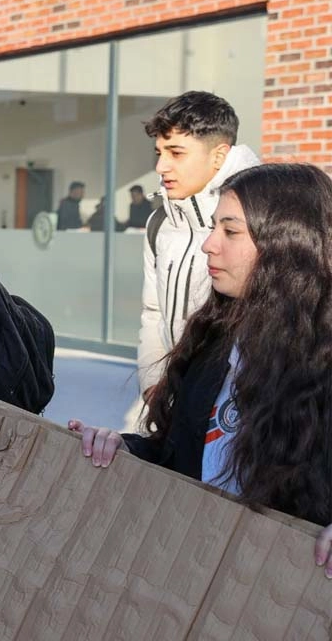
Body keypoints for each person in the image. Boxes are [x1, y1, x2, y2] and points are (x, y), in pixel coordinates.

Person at [69, 163, 332, 576]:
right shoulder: (213, 340)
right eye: (213, 228)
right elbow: (178, 456)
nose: (209, 245)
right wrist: (123, 449)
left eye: (230, 231)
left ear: (289, 244)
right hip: (191, 575)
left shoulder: (322, 364)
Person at [137, 91, 260, 393]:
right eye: (159, 153)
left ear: (218, 156)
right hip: (171, 402)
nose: (161, 167)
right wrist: (153, 388)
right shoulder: (161, 223)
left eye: (176, 153)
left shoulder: (262, 220)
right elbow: (153, 314)